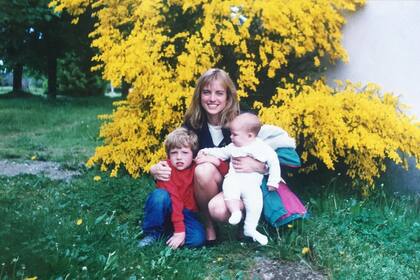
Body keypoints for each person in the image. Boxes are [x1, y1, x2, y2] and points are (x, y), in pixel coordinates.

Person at [150, 68, 296, 244]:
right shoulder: (193, 122)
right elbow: (179, 155)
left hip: (243, 182)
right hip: (211, 184)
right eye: (206, 92)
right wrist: (155, 169)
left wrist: (259, 166)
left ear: (228, 95)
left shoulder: (243, 119)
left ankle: (246, 224)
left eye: (219, 93)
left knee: (219, 209)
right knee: (203, 170)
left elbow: (267, 153)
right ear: (199, 95)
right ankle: (208, 225)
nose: (212, 99)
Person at [197, 113, 281, 245]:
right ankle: (235, 211)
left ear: (250, 135)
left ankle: (250, 228)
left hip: (252, 185)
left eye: (234, 134)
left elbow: (274, 162)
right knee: (230, 192)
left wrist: (273, 181)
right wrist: (205, 151)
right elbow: (221, 152)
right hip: (234, 180)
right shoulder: (233, 147)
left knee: (255, 203)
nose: (231, 137)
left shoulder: (263, 148)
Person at [138, 127, 205, 249]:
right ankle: (153, 233)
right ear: (168, 155)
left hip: (186, 214)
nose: (179, 157)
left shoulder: (197, 167)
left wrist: (213, 160)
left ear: (193, 155)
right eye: (174, 153)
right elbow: (175, 199)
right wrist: (180, 231)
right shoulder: (165, 169)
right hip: (168, 207)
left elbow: (223, 170)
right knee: (159, 196)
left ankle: (166, 234)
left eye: (185, 153)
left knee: (197, 239)